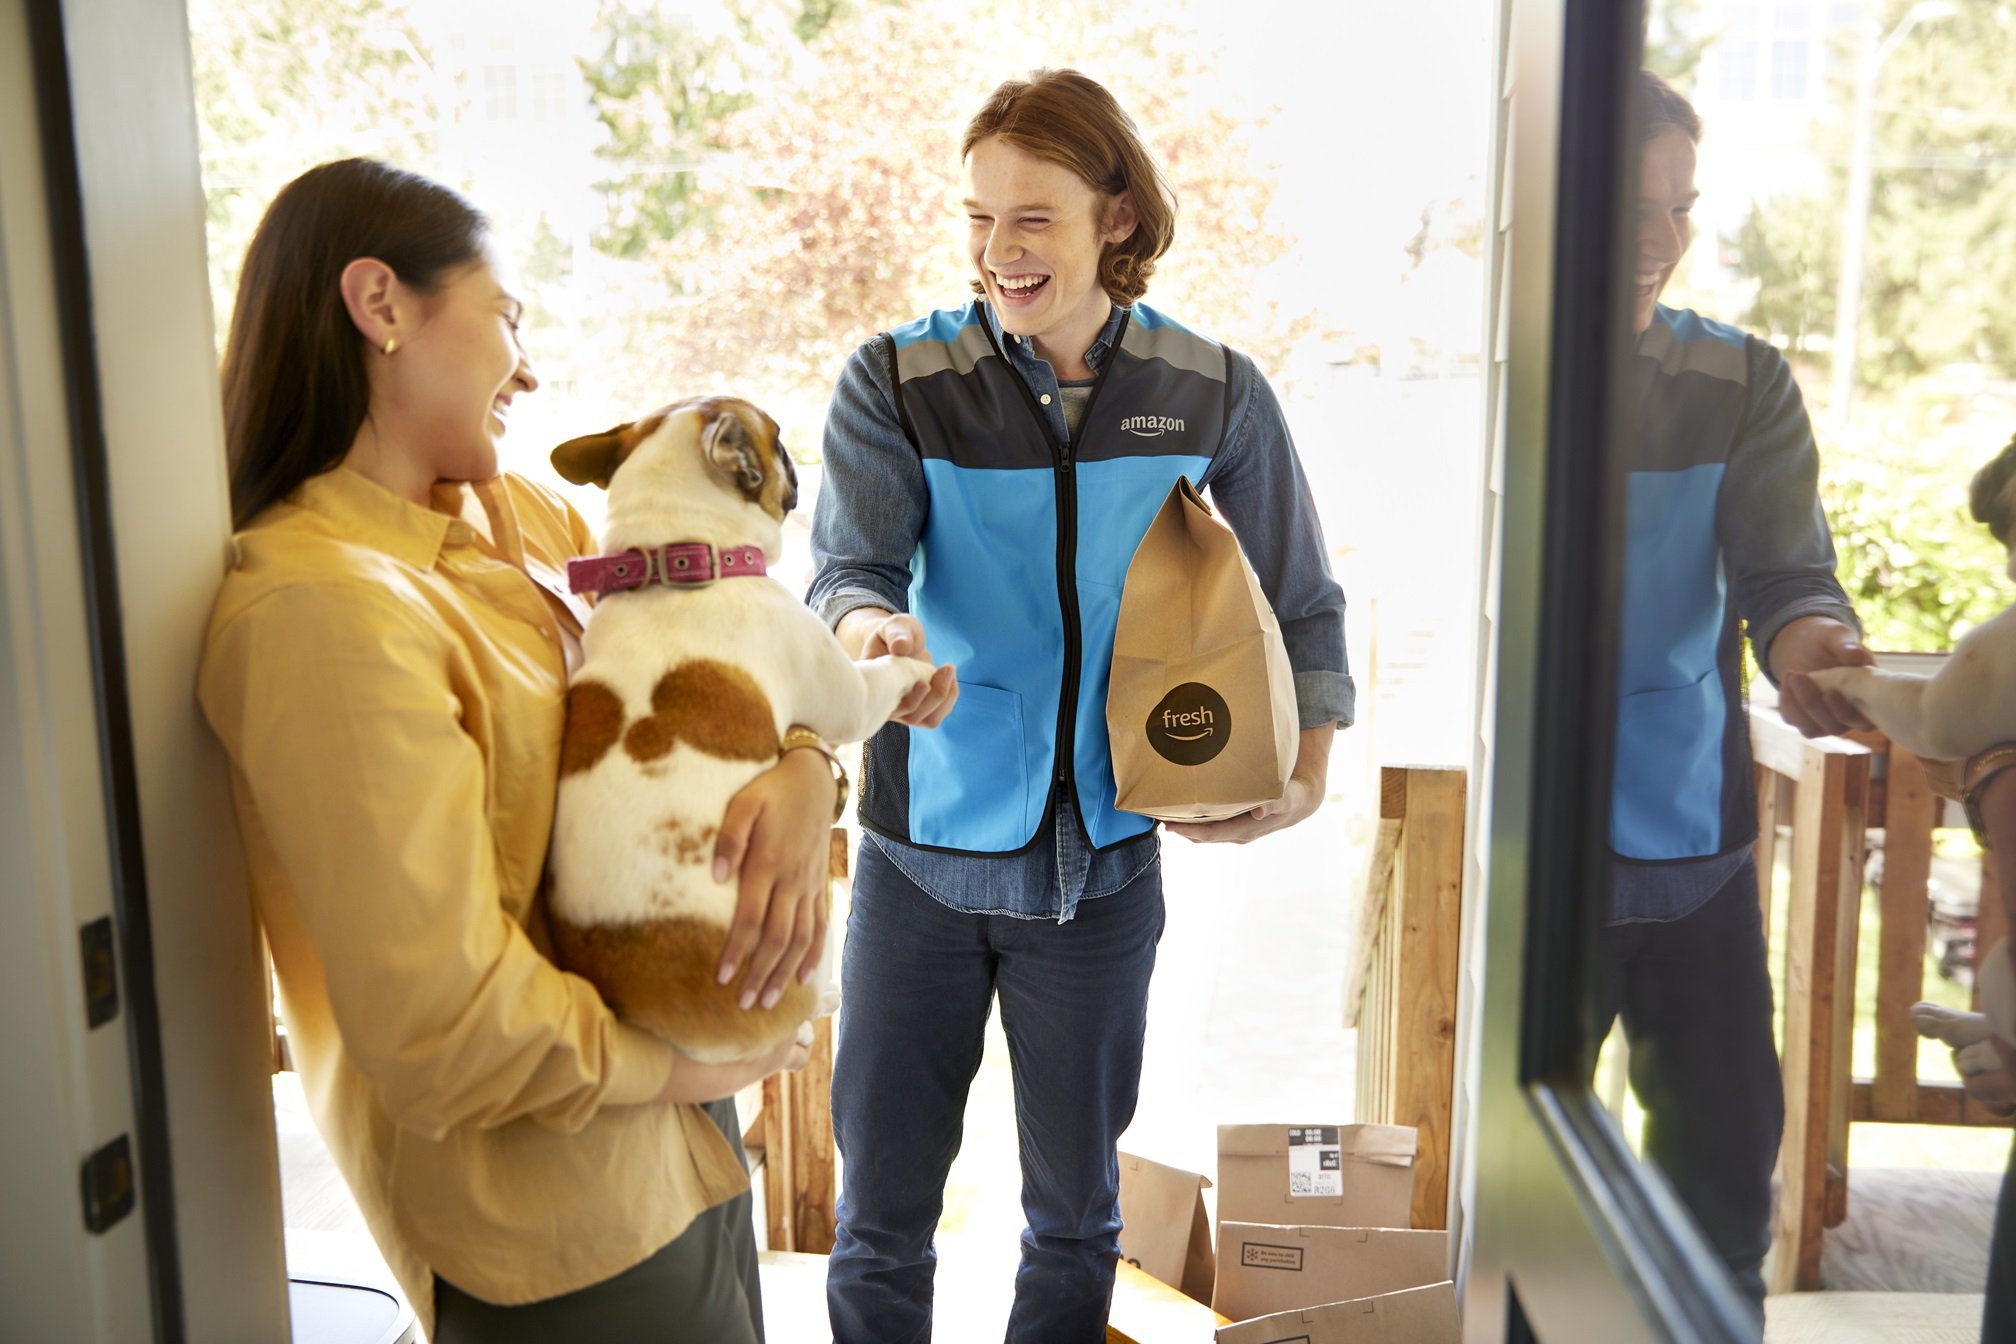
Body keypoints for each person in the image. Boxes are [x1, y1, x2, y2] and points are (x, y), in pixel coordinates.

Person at [197, 157, 838, 1343]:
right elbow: (443, 1027)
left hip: (689, 1158)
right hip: (566, 1230)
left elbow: (730, 651)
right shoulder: (317, 613)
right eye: (507, 319)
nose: (530, 367)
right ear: (380, 305)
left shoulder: (518, 520)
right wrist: (687, 1073)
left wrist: (810, 763)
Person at [806, 69, 1353, 1343]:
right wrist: (871, 630)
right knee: (880, 1220)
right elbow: (852, 569)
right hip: (918, 860)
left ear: (1114, 216)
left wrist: (1310, 768)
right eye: (980, 219)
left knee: (1075, 1220)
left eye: (1032, 218)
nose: (1000, 251)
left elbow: (1304, 597)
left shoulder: (1211, 389)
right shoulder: (897, 378)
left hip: (1102, 870)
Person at [1599, 70, 1876, 1321]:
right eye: (1631, 204)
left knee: (1719, 1180)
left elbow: (1787, 575)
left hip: (1690, 855)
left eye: (1680, 208)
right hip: (1530, 862)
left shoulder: (1742, 380)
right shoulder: (1508, 383)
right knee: (1521, 1194)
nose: (1662, 239)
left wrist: (1818, 643)